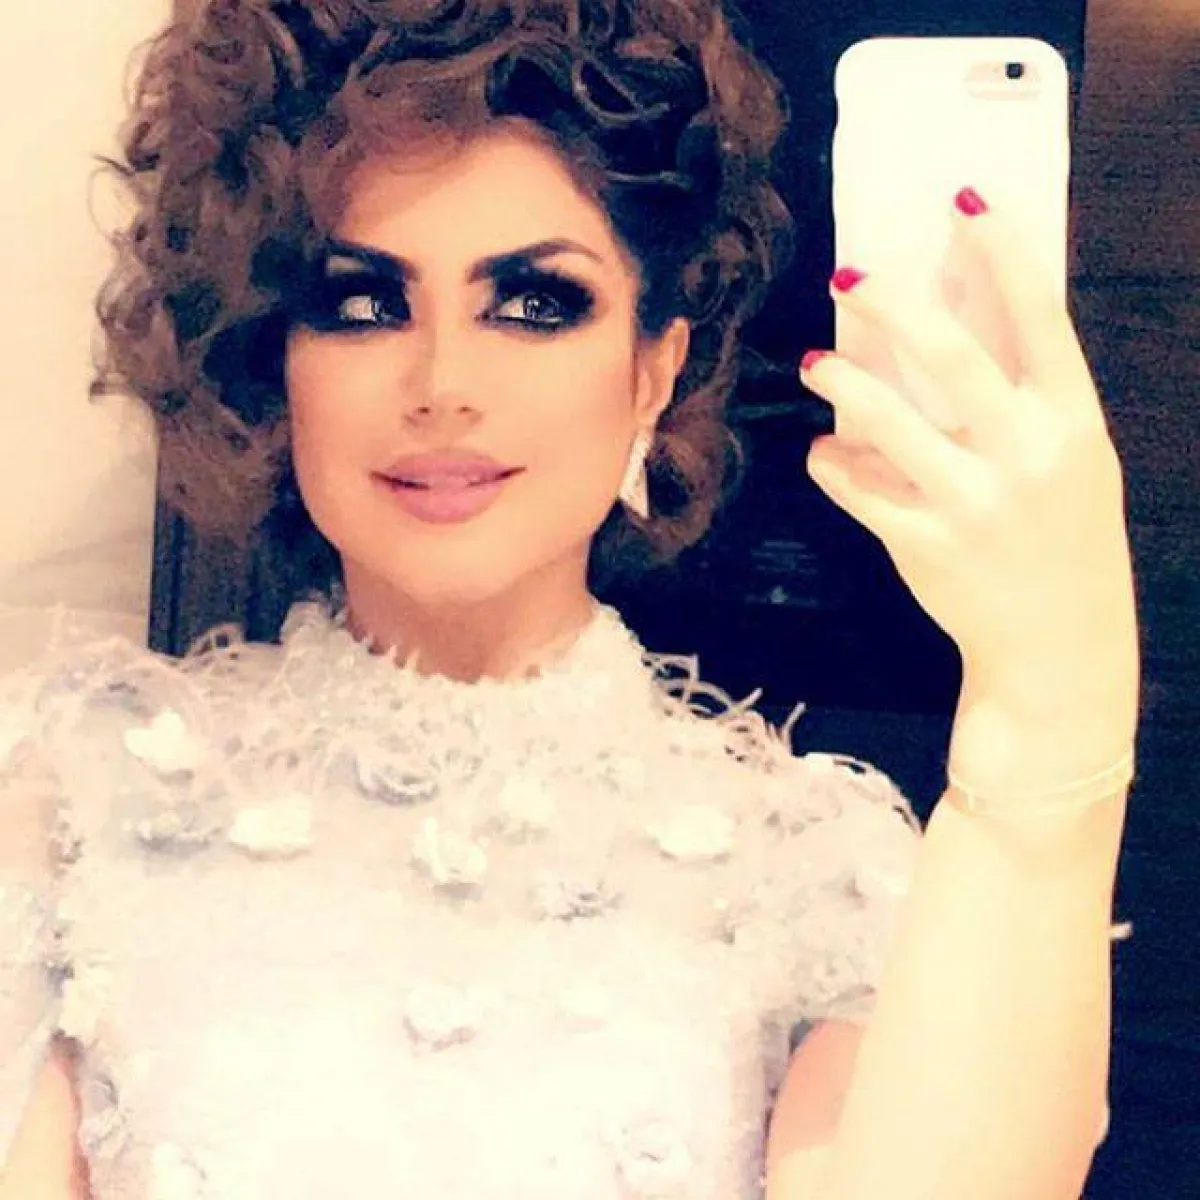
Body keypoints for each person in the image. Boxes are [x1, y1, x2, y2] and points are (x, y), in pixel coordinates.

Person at [0, 1, 1139, 1198]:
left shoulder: (804, 868)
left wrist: (1048, 717)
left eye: (536, 302)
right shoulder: (78, 791)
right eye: (364, 303)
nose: (444, 383)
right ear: (276, 361)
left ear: (653, 370)